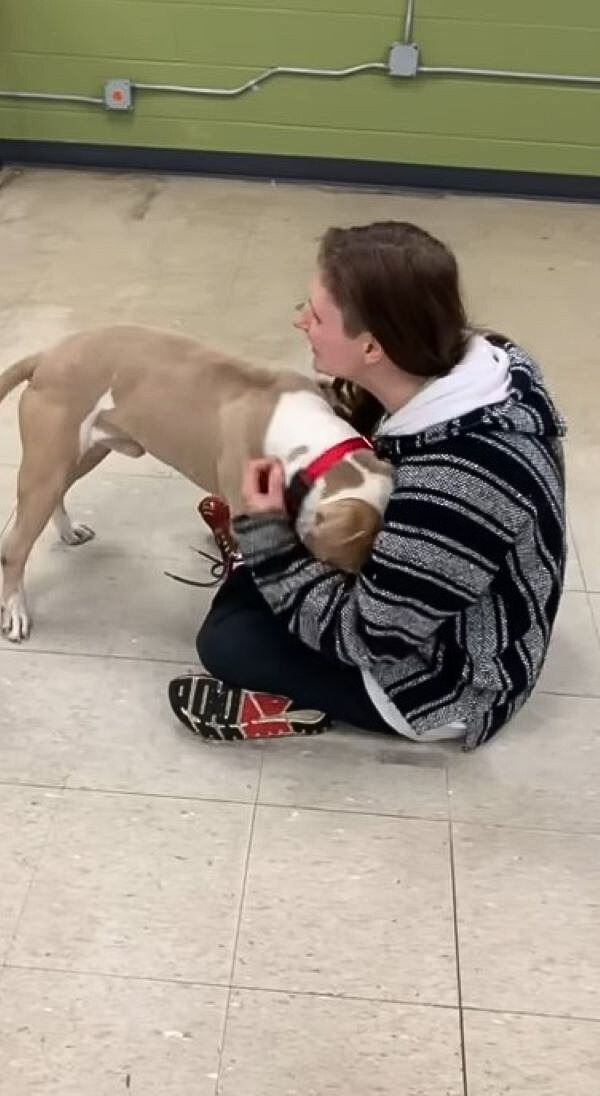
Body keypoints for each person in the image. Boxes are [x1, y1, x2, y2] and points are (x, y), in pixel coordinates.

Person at [168, 221, 566, 750]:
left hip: (452, 683)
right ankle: (267, 560)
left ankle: (301, 704)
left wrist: (264, 533)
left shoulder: (453, 486)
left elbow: (367, 639)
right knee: (287, 545)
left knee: (228, 635)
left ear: (373, 348)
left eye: (315, 314)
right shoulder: (493, 362)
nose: (298, 321)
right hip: (446, 589)